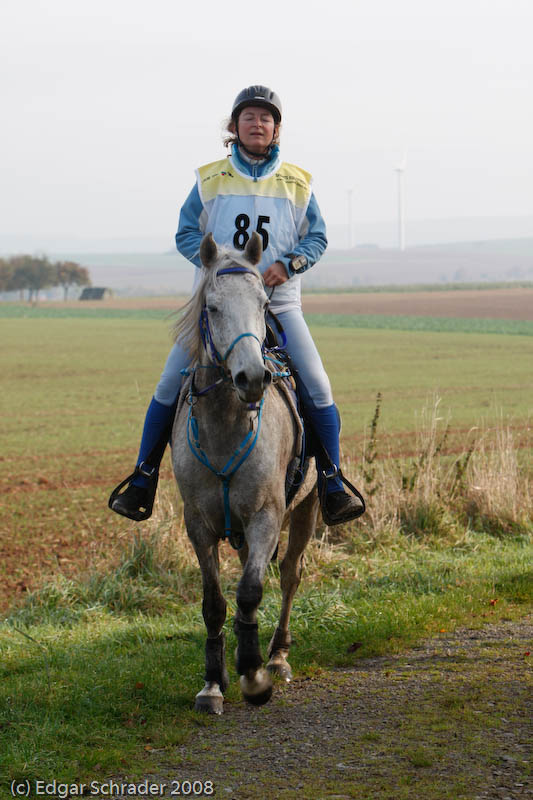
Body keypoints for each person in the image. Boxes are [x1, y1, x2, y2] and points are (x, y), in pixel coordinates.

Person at [110, 85, 364, 525]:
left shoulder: (298, 181)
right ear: (234, 126)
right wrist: (220, 269)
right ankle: (144, 477)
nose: (258, 123)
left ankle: (332, 481)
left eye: (267, 118)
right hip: (220, 305)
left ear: (277, 129)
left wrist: (290, 263)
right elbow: (187, 233)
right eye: (249, 116)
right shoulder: (209, 178)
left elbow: (317, 237)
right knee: (170, 382)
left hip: (278, 304)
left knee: (318, 385)